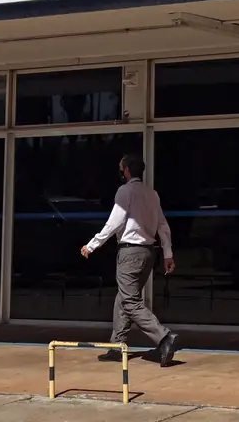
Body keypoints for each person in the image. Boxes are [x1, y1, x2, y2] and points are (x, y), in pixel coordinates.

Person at [81, 153, 181, 366]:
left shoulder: (125, 191)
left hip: (130, 253)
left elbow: (115, 222)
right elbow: (163, 225)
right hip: (148, 253)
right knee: (124, 298)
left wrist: (92, 245)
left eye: (121, 168)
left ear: (126, 170)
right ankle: (117, 347)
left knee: (130, 301)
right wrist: (167, 254)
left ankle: (165, 337)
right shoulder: (152, 194)